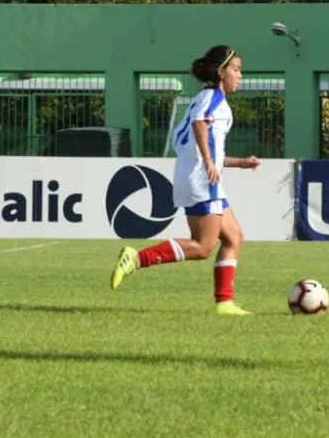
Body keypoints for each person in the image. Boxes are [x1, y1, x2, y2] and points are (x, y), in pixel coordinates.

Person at [110, 45, 260, 316]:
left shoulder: (211, 100)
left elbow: (209, 145)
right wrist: (208, 161)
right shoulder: (212, 96)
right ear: (220, 71)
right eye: (236, 69)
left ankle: (224, 303)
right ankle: (137, 259)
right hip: (201, 179)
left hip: (200, 176)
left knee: (234, 237)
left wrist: (240, 163)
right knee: (203, 247)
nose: (240, 75)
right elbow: (199, 125)